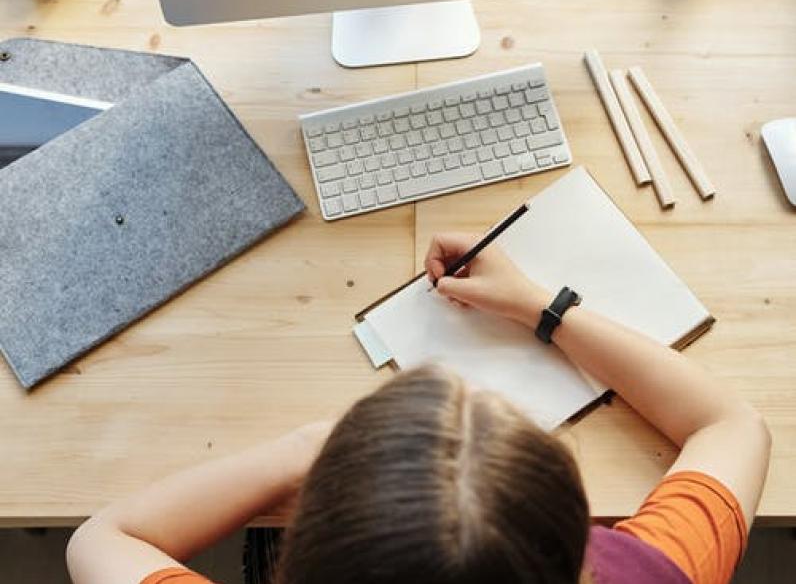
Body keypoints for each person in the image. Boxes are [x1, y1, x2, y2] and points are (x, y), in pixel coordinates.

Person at [66, 233, 771, 584]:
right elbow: (730, 423)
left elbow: (102, 537)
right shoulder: (645, 571)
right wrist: (541, 306)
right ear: (577, 545)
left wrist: (308, 447)